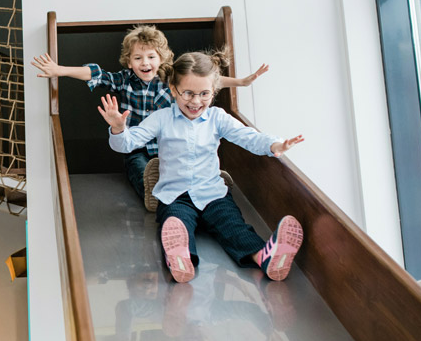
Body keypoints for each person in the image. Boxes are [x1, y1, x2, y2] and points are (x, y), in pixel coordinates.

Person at [98, 49, 304, 283]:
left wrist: (274, 144)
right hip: (174, 195)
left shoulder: (218, 117)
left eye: (204, 94)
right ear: (174, 89)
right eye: (188, 93)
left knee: (233, 225)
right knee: (175, 224)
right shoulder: (162, 118)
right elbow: (127, 144)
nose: (196, 101)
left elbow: (247, 136)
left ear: (214, 91)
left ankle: (264, 257)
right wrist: (118, 128)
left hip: (212, 193)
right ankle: (180, 259)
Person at [32, 24, 267, 211]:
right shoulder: (124, 79)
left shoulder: (171, 78)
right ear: (129, 61)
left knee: (188, 162)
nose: (145, 63)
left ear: (161, 59)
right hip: (138, 145)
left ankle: (210, 182)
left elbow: (206, 80)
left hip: (169, 145)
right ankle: (152, 190)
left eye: (151, 57)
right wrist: (60, 70)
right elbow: (96, 74)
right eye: (138, 58)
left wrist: (241, 82)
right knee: (137, 167)